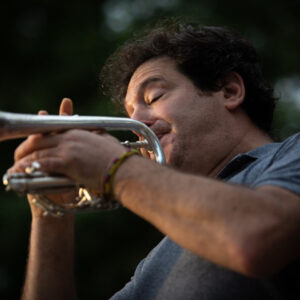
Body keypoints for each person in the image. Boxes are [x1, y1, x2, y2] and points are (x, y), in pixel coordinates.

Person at [11, 20, 300, 299]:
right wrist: (51, 213)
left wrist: (115, 167)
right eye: (130, 113)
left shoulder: (291, 152)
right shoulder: (155, 262)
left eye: (153, 96)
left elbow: (258, 237)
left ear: (229, 91)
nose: (136, 123)